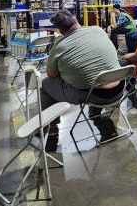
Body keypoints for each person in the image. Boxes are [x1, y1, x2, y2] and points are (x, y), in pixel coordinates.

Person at [40, 10, 124, 151]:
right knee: (96, 75)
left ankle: (52, 129)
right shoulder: (98, 30)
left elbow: (51, 74)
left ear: (60, 31)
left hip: (91, 95)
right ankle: (99, 118)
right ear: (76, 20)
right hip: (119, 89)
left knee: (46, 85)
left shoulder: (59, 46)